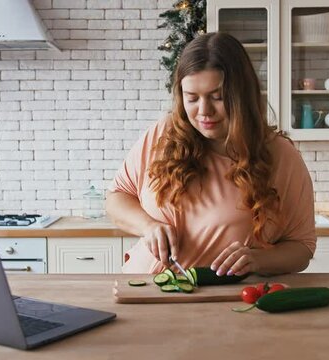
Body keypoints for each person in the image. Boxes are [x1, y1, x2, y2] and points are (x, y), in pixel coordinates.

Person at [106, 32, 316, 276]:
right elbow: (116, 198)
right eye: (192, 98)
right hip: (144, 288)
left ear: (242, 95)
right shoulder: (163, 134)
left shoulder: (280, 155)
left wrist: (259, 260)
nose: (204, 111)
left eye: (218, 97)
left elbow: (302, 248)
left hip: (220, 301)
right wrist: (148, 226)